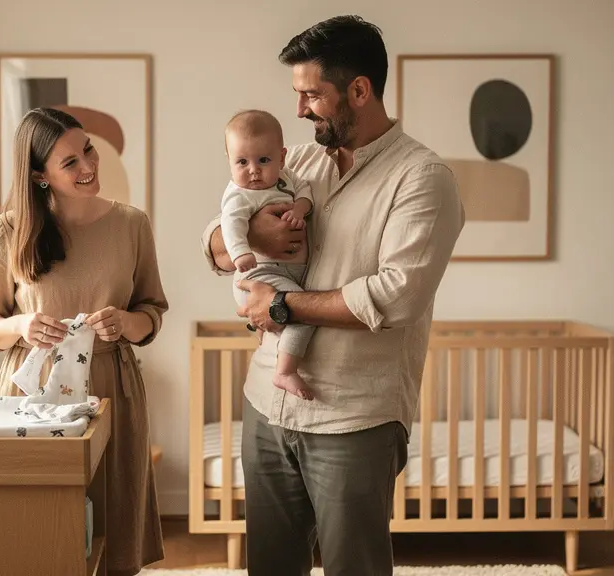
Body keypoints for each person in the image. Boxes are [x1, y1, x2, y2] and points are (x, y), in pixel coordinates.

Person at [199, 15, 466, 576]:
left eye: (312, 95)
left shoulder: (422, 178)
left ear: (359, 90)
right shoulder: (292, 162)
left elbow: (397, 297)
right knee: (271, 565)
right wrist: (251, 238)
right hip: (266, 405)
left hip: (354, 417)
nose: (299, 109)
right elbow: (214, 241)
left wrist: (281, 305)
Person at [0, 107, 167, 576]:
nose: (89, 166)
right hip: (31, 393)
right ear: (40, 176)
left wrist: (125, 322)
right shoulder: (6, 232)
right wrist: (21, 326)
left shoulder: (132, 225)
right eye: (70, 162)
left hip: (111, 389)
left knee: (114, 526)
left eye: (88, 150)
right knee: (34, 532)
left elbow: (152, 314)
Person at [220, 109, 316, 400]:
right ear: (229, 161)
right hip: (260, 275)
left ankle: (265, 338)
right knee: (303, 316)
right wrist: (241, 253)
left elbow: (305, 191)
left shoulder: (286, 178)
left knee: (282, 319)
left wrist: (300, 208)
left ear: (281, 158)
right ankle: (284, 371)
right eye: (242, 162)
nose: (253, 170)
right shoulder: (239, 194)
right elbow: (231, 224)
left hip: (287, 274)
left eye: (263, 160)